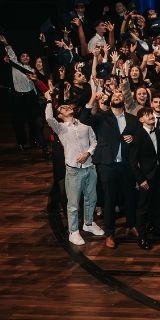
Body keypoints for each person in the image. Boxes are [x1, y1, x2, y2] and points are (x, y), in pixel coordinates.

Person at [81, 85, 138, 248]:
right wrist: (93, 98)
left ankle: (132, 225)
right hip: (107, 164)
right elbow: (84, 119)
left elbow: (139, 138)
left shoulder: (132, 120)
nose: (117, 96)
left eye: (120, 94)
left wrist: (133, 138)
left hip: (127, 165)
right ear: (110, 100)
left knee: (130, 197)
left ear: (125, 99)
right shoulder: (101, 117)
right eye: (115, 95)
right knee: (109, 200)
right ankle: (110, 233)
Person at [42, 92, 101, 246]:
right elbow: (49, 118)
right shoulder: (61, 128)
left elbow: (94, 142)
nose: (67, 107)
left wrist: (88, 153)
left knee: (91, 198)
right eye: (63, 107)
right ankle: (73, 232)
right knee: (73, 203)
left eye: (68, 106)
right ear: (60, 115)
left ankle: (88, 224)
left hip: (90, 167)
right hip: (74, 170)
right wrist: (49, 99)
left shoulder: (85, 126)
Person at [131, 106, 160, 249]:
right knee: (143, 208)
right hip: (146, 177)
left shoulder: (158, 132)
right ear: (141, 120)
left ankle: (158, 231)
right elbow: (132, 162)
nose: (151, 116)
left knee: (158, 204)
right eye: (147, 115)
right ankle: (142, 237)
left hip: (158, 175)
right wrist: (140, 179)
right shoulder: (137, 135)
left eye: (151, 114)